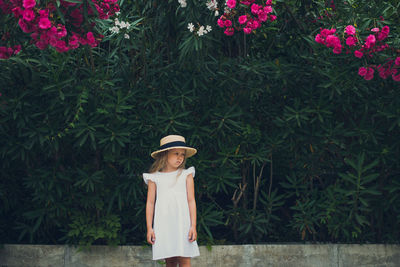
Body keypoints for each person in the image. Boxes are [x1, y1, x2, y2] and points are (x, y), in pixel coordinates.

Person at [143, 135, 200, 267]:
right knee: (170, 260)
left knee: (185, 259)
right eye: (176, 153)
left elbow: (191, 201)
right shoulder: (154, 177)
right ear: (164, 154)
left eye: (182, 154)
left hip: (183, 224)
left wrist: (193, 226)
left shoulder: (187, 175)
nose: (180, 157)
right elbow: (150, 203)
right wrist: (149, 228)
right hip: (164, 225)